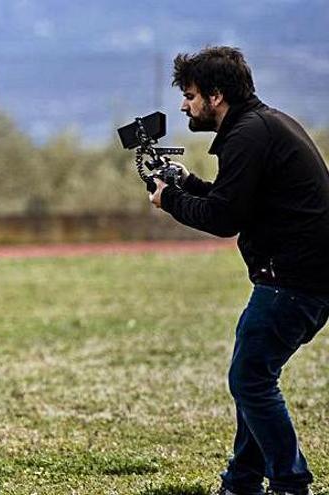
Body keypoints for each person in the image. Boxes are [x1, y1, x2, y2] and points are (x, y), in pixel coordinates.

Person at [149, 46, 329, 495]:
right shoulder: (264, 125)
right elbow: (239, 202)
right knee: (252, 375)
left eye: (189, 95)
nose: (183, 105)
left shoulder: (247, 135)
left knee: (250, 378)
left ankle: (289, 482)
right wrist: (185, 182)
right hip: (300, 276)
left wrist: (168, 200)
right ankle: (242, 481)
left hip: (293, 280)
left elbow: (224, 218)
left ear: (216, 96)